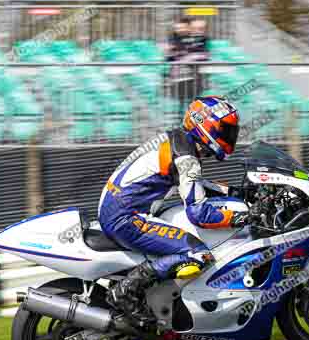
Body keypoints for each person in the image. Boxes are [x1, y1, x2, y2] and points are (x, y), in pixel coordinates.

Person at [98, 96, 248, 315]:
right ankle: (127, 289)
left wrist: (235, 192)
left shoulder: (178, 141)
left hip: (117, 209)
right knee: (198, 255)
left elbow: (194, 185)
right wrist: (243, 216)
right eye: (225, 129)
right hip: (125, 217)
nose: (230, 136)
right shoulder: (185, 156)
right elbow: (200, 214)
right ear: (206, 125)